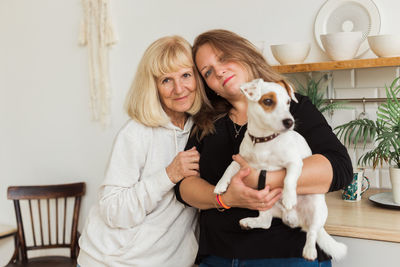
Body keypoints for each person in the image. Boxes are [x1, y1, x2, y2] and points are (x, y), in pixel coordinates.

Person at [175, 29, 353, 267]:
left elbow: (339, 168)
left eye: (224, 57)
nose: (219, 71)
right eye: (208, 71)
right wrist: (227, 199)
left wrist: (262, 180)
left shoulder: (293, 109)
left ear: (246, 54)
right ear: (209, 85)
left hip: (289, 255)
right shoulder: (206, 123)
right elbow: (184, 186)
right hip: (218, 256)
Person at [77, 35, 213, 267]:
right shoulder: (135, 133)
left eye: (186, 75)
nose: (179, 88)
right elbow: (113, 210)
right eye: (166, 80)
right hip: (112, 262)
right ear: (154, 87)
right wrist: (168, 175)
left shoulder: (203, 128)